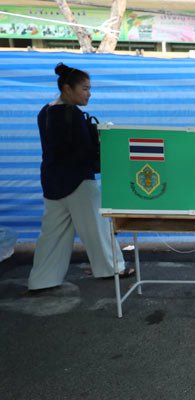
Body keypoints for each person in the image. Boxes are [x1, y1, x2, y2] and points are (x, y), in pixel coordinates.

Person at [28, 63, 131, 293]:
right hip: (78, 181)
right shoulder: (72, 115)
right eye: (84, 88)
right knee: (98, 228)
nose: (89, 93)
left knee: (51, 235)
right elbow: (83, 152)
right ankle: (113, 269)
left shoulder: (45, 111)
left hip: (52, 181)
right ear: (67, 88)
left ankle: (42, 280)